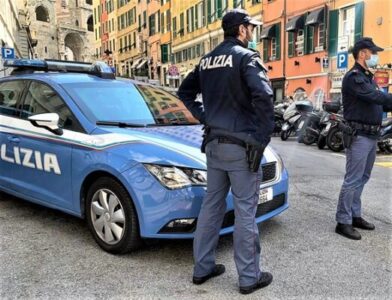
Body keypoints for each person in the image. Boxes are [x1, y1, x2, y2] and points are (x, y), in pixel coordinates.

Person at [177, 9, 274, 295]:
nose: (253, 33)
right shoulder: (247, 58)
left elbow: (184, 92)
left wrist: (205, 116)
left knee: (211, 206)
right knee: (245, 210)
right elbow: (265, 96)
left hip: (214, 144)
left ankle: (202, 268)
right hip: (241, 147)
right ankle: (249, 277)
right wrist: (261, 139)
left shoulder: (207, 61)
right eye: (251, 28)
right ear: (241, 30)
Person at [335, 37, 392, 240]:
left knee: (363, 177)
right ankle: (343, 221)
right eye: (372, 52)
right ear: (362, 54)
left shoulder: (368, 78)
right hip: (359, 136)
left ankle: (355, 215)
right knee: (352, 179)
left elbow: (381, 103)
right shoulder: (354, 77)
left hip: (371, 134)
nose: (375, 56)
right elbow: (374, 97)